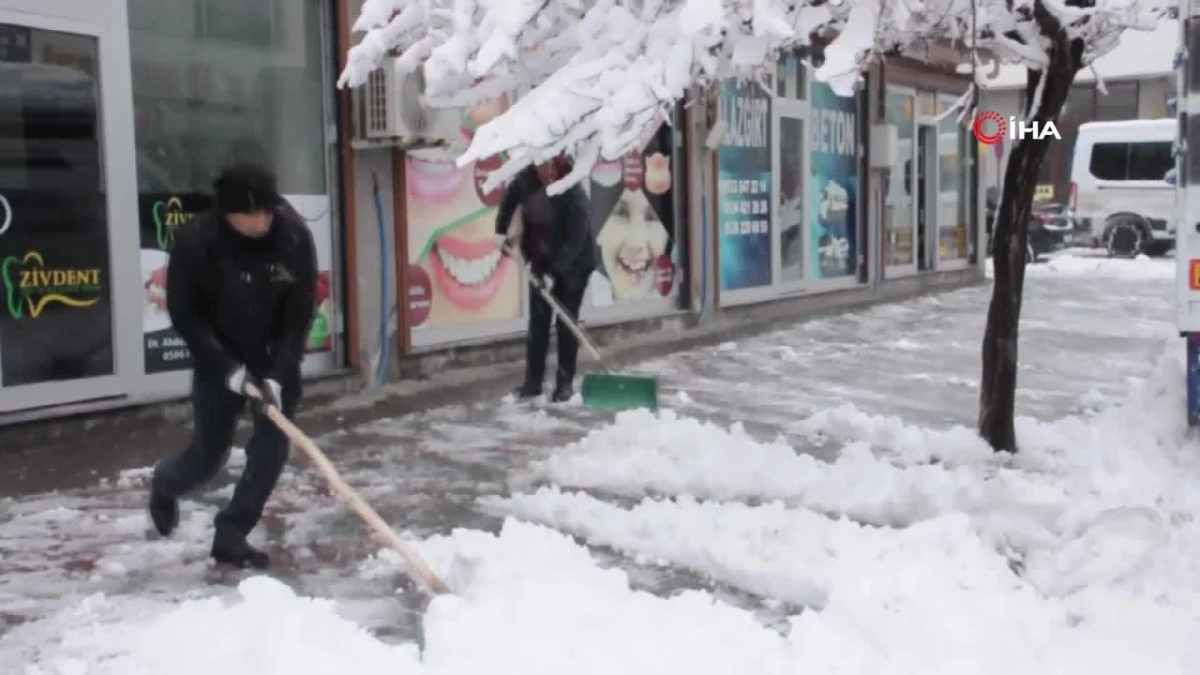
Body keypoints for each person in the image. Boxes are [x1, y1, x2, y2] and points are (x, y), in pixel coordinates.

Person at [147, 163, 317, 569]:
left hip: (275, 353)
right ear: (226, 213)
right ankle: (167, 483)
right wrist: (226, 369)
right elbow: (186, 317)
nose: (260, 221)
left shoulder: (293, 237)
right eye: (249, 214)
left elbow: (299, 315)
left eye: (267, 211)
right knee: (209, 455)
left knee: (271, 451)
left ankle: (232, 533)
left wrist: (277, 374)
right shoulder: (195, 242)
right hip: (217, 353)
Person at [495, 156, 597, 403]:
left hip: (574, 265)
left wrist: (556, 272)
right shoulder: (525, 181)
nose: (546, 171)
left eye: (550, 165)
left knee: (565, 322)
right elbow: (508, 203)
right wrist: (500, 233)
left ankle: (564, 385)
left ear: (558, 165)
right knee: (538, 325)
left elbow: (576, 239)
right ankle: (532, 384)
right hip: (541, 258)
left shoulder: (573, 192)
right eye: (541, 166)